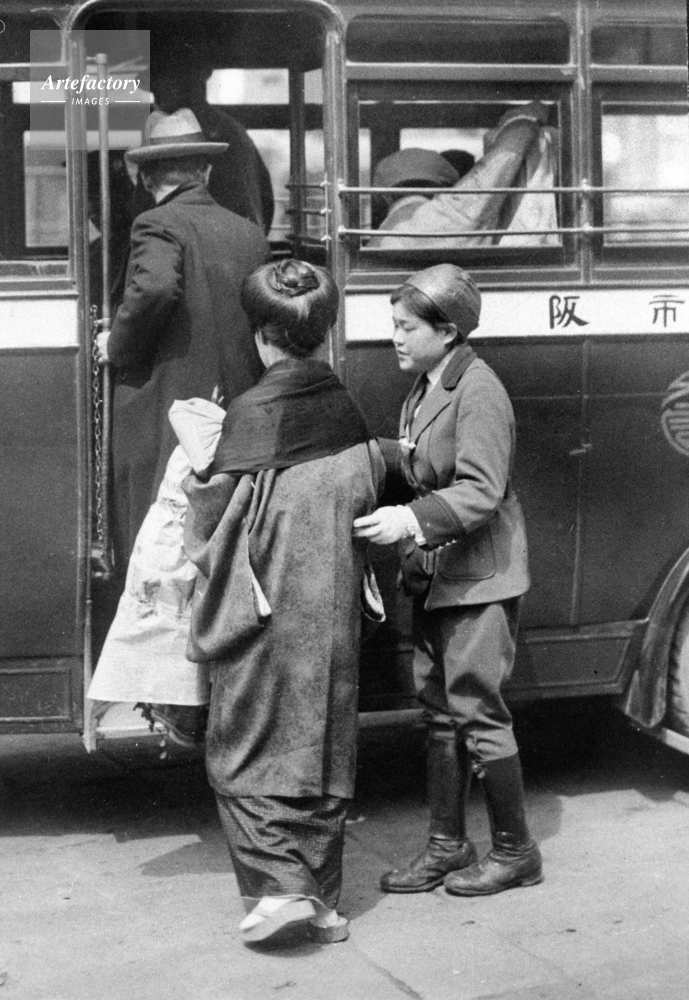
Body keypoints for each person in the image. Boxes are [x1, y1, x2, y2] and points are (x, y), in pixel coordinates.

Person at [182, 259, 385, 946]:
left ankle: (284, 890)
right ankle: (322, 903)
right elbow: (365, 484)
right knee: (323, 748)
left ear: (262, 335)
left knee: (244, 746)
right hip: (332, 610)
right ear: (324, 333)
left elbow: (216, 523)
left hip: (264, 611)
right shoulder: (349, 413)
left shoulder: (250, 416)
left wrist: (197, 470)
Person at [353, 263, 542, 897]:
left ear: (448, 331)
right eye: (395, 325)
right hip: (440, 575)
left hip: (478, 579)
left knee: (477, 710)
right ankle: (447, 845)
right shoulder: (429, 384)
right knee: (439, 712)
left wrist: (408, 518)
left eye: (407, 327)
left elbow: (482, 490)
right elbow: (418, 460)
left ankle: (515, 851)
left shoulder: (479, 390)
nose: (396, 338)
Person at [96, 107, 268, 567]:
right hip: (233, 406)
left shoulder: (156, 223)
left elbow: (154, 289)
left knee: (158, 529)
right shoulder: (250, 234)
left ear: (146, 176)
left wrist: (115, 345)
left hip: (167, 409)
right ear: (206, 170)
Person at [369, 102, 556, 249]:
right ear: (447, 189)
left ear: (385, 196)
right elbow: (505, 155)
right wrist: (535, 109)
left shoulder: (376, 240)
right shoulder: (450, 212)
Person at [146, 38, 274, 235]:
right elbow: (266, 202)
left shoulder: (187, 133)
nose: (155, 89)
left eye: (160, 77)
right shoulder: (232, 129)